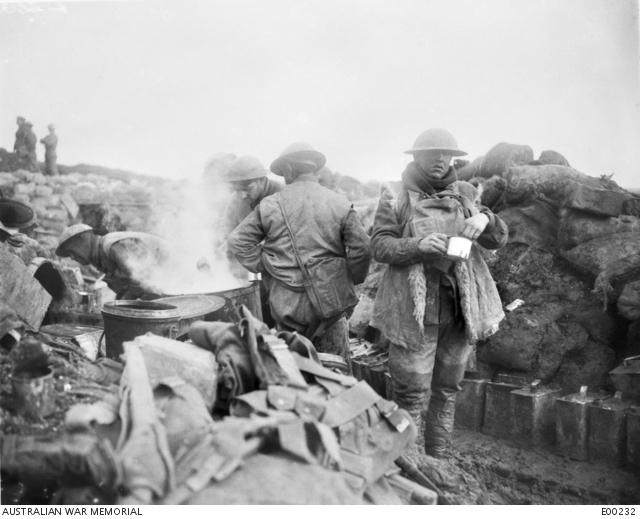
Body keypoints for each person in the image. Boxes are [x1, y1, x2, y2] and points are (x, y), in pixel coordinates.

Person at [370, 128, 508, 458]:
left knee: (447, 390)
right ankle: (407, 463)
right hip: (413, 311)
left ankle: (439, 462)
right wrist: (415, 245)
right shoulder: (394, 194)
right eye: (432, 153)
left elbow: (499, 239)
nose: (440, 159)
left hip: (459, 308)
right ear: (416, 156)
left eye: (447, 154)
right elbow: (378, 245)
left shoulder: (465, 192)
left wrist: (486, 221)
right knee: (411, 393)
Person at [228, 142, 371, 366]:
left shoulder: (270, 205)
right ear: (314, 169)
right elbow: (362, 249)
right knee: (336, 372)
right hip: (330, 304)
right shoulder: (340, 203)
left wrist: (265, 264)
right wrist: (350, 278)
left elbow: (237, 241)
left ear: (288, 171)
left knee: (296, 372)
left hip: (287, 305)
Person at [219, 155, 284, 327]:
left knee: (276, 308)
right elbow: (227, 229)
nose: (241, 195)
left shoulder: (282, 194)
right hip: (253, 265)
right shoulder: (236, 199)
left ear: (262, 180)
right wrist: (224, 245)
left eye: (247, 188)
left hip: (282, 269)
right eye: (236, 189)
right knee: (252, 293)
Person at [55, 224, 169, 300]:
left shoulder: (112, 246)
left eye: (71, 251)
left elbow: (138, 279)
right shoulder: (103, 255)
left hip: (174, 276)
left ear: (82, 238)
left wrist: (121, 304)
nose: (72, 258)